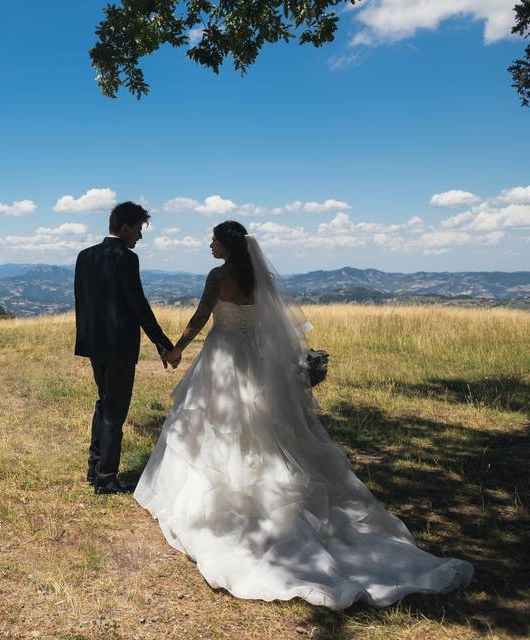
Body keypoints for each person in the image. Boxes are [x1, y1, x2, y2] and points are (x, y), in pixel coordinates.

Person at [134, 220, 473, 609]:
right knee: (265, 426)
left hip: (223, 359)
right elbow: (274, 327)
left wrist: (175, 349)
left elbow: (199, 318)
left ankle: (227, 500)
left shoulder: (218, 276)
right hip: (256, 362)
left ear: (226, 245)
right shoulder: (259, 279)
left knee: (215, 424)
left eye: (213, 239)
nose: (208, 244)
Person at [74, 201, 176, 495]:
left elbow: (83, 302)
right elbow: (139, 306)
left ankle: (95, 468)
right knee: (114, 411)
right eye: (139, 230)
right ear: (125, 227)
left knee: (103, 403)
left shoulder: (85, 256)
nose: (140, 237)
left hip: (94, 343)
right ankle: (106, 478)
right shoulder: (126, 259)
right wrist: (163, 344)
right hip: (119, 346)